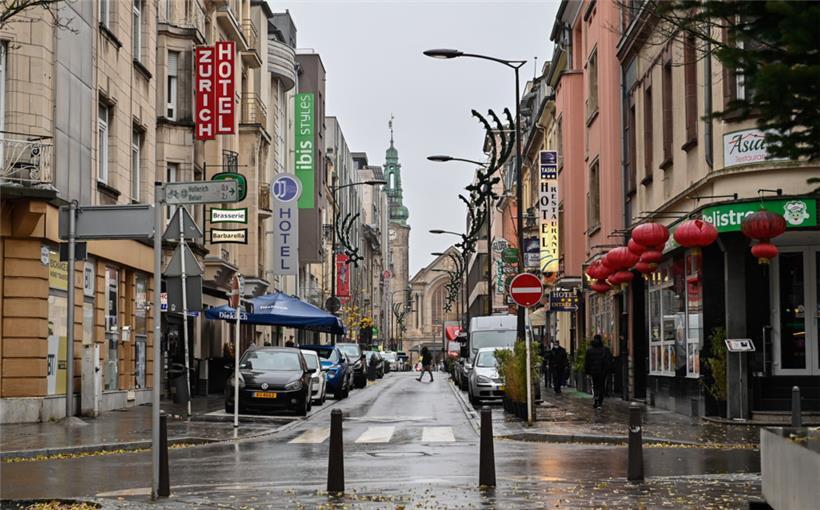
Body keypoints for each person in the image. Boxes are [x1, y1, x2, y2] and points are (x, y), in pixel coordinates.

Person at [584, 334, 613, 409]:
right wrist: (608, 370)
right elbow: (609, 361)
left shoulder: (589, 350)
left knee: (595, 385)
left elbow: (587, 362)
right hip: (603, 372)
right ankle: (600, 401)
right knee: (602, 386)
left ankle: (596, 399)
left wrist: (587, 372)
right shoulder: (605, 349)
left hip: (594, 371)